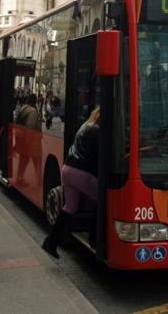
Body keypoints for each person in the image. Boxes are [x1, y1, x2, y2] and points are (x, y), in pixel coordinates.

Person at [42, 107, 100, 259]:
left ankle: (51, 242)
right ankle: (95, 239)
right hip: (81, 173)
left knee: (70, 207)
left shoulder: (87, 125)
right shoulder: (97, 131)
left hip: (68, 169)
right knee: (104, 199)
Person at [15, 94, 42, 182]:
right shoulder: (32, 111)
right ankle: (39, 179)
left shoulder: (23, 109)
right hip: (32, 141)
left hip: (22, 139)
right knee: (36, 160)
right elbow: (31, 126)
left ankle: (20, 177)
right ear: (34, 102)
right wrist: (28, 141)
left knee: (24, 159)